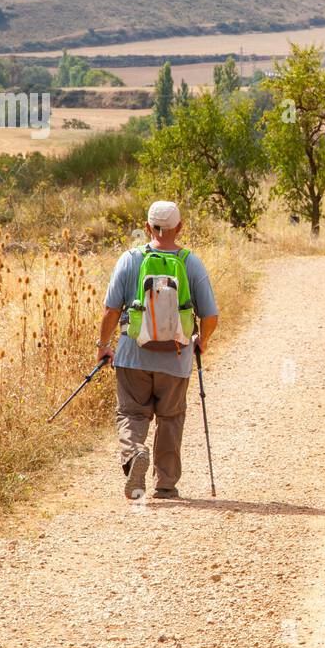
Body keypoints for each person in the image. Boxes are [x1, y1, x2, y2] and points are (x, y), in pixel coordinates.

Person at [98, 201, 219, 500]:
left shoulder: (129, 259)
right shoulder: (191, 263)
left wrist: (104, 345)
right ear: (180, 227)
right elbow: (211, 315)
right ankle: (165, 484)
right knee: (170, 418)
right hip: (175, 359)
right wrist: (201, 341)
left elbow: (111, 310)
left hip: (132, 354)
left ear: (148, 227)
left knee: (131, 413)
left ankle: (135, 454)